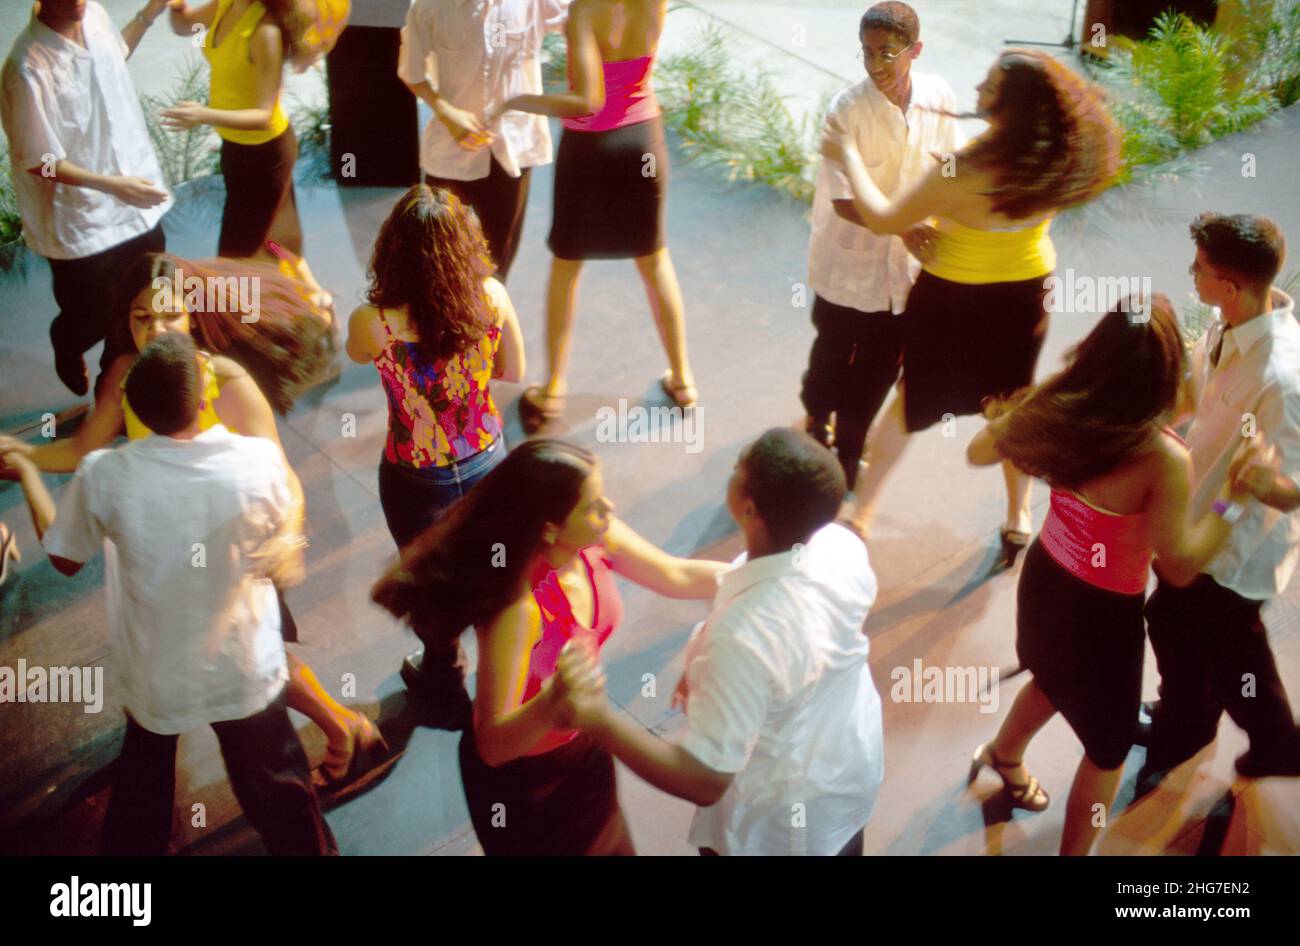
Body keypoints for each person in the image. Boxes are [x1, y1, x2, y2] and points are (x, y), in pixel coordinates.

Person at [0, 253, 383, 793]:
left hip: (231, 543)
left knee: (257, 661)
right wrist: (24, 457)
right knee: (232, 662)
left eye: (168, 315)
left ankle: (344, 726)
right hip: (170, 540)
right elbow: (86, 446)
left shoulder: (223, 379)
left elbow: (282, 476)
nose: (155, 330)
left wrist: (285, 537)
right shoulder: (124, 373)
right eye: (140, 318)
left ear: (193, 317)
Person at [3, 333, 336, 855]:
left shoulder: (108, 475)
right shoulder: (257, 462)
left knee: (142, 798)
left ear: (135, 409)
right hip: (244, 667)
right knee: (280, 792)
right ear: (204, 401)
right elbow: (286, 525)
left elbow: (65, 558)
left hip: (159, 676)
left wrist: (27, 470)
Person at [965, 296, 1258, 856]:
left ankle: (1003, 755)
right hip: (1101, 615)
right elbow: (1178, 564)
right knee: (1108, 751)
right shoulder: (1162, 458)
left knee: (1050, 675)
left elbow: (981, 450)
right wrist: (1232, 501)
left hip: (1047, 578)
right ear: (1168, 371)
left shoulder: (1062, 404)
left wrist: (1009, 415)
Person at [824, 48, 1121, 566]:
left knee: (912, 396)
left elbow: (881, 216)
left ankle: (862, 515)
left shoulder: (961, 173)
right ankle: (1017, 517)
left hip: (951, 298)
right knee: (1010, 404)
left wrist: (845, 153)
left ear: (1013, 106)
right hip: (1023, 295)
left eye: (990, 86)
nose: (979, 90)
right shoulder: (1054, 159)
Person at [371, 439, 728, 855]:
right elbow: (492, 744)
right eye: (594, 505)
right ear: (550, 528)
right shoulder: (517, 610)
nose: (609, 510)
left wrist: (762, 579)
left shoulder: (598, 537)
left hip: (581, 746)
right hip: (524, 782)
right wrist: (553, 703)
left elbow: (678, 575)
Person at [551, 429, 884, 856]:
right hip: (847, 768)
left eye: (735, 471)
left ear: (748, 509)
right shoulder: (840, 547)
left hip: (783, 818)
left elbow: (704, 780)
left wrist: (599, 719)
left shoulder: (742, 640)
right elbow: (773, 612)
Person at [345, 185, 526, 727]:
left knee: (430, 584)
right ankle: (506, 683)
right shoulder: (491, 296)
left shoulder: (372, 322)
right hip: (487, 459)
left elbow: (357, 355)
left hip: (413, 474)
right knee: (498, 573)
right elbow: (513, 370)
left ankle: (443, 679)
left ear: (391, 252)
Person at [1139, 214, 1300, 786]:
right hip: (1204, 515)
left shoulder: (1282, 378)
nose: (1192, 277)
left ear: (1230, 287)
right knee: (1191, 634)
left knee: (1226, 653)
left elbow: (1293, 489)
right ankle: (1196, 719)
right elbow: (1194, 398)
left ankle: (1235, 738)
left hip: (1236, 547)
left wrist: (1262, 484)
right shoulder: (1224, 323)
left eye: (1198, 270)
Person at [495, 0, 697, 430]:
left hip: (591, 151)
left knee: (567, 265)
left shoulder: (585, 8)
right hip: (642, 142)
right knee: (655, 259)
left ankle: (552, 389)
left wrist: (516, 100)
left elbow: (586, 101)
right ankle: (682, 378)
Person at [801, 2, 961, 490]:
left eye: (886, 52)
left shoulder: (938, 94)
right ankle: (816, 418)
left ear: (915, 49)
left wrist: (953, 194)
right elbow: (846, 202)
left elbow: (950, 161)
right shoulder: (845, 111)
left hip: (904, 275)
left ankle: (850, 447)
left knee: (878, 370)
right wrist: (905, 229)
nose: (875, 64)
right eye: (866, 52)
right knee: (831, 355)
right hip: (845, 267)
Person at [1, 0, 172, 396]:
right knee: (94, 314)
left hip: (138, 203)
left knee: (140, 307)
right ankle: (67, 340)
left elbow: (115, 54)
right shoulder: (26, 68)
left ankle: (118, 395)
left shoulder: (93, 15)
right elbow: (38, 161)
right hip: (80, 223)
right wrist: (113, 185)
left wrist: (150, 13)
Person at [398, 0, 572, 283]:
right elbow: (411, 71)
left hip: (514, 147)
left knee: (497, 266)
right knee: (433, 257)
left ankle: (489, 323)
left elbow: (585, 16)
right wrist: (446, 111)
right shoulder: (429, 8)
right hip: (450, 151)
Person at [162, 0, 306, 261]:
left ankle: (291, 296)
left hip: (267, 155)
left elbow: (264, 116)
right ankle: (303, 294)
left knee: (237, 253)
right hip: (235, 147)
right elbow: (185, 26)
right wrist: (176, 6)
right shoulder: (224, 5)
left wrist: (204, 115)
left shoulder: (265, 32)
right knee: (270, 244)